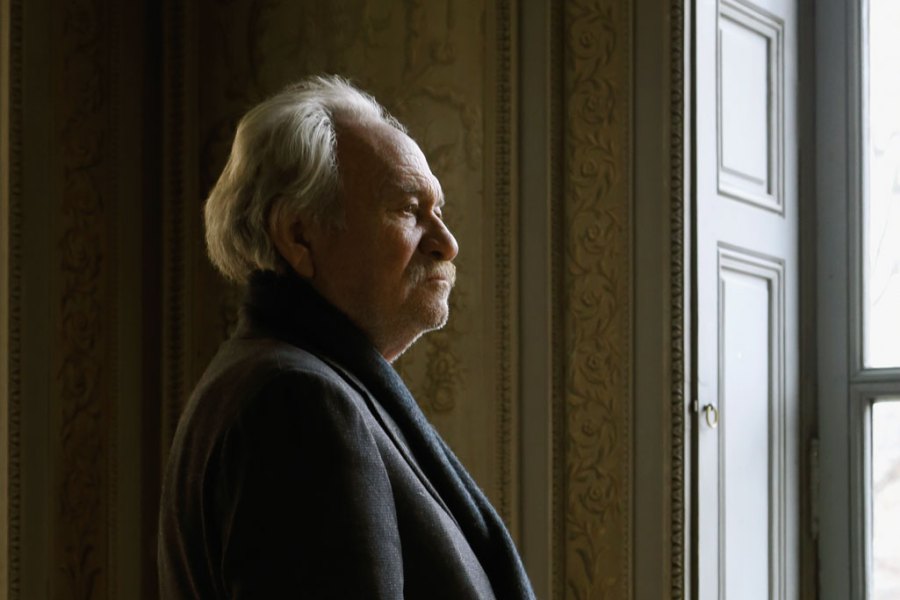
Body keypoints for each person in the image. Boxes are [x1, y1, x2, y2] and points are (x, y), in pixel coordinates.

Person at [157, 75, 534, 599]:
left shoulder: (285, 378)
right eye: (407, 209)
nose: (446, 244)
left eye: (438, 211)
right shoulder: (296, 402)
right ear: (299, 235)